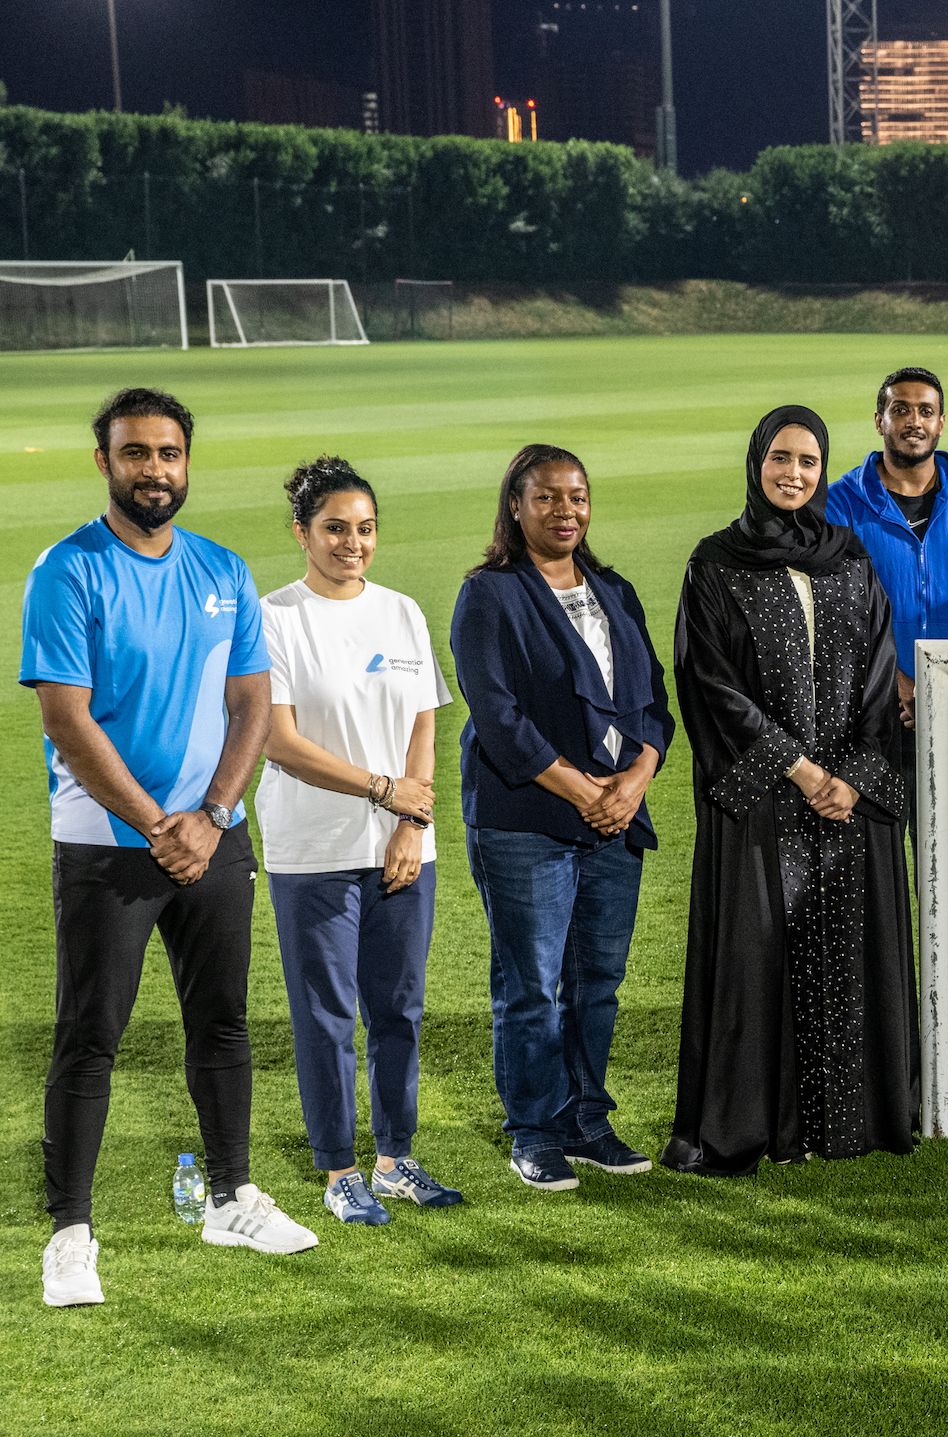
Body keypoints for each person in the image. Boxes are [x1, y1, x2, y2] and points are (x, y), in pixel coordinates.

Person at [29, 388, 315, 1309]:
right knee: (90, 1038)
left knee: (223, 1025)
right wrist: (163, 824)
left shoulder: (223, 570)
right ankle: (70, 1232)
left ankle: (231, 1197)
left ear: (188, 463)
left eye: (169, 453)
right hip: (109, 843)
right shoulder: (68, 571)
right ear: (105, 463)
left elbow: (252, 705)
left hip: (214, 840)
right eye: (135, 453)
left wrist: (215, 813)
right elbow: (68, 722)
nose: (155, 469)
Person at [665, 405, 915, 1174]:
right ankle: (758, 1126)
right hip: (766, 800)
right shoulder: (716, 563)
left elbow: (880, 677)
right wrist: (798, 769)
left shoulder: (850, 557)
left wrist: (854, 778)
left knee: (849, 956)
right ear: (756, 462)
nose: (794, 475)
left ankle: (849, 1121)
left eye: (808, 461)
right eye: (780, 459)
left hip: (845, 798)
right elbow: (709, 684)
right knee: (759, 961)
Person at [450, 444, 674, 1193]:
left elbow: (654, 705)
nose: (565, 511)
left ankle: (586, 1120)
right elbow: (499, 716)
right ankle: (534, 1130)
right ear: (515, 506)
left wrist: (636, 780)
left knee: (597, 981)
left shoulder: (614, 588)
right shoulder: (490, 594)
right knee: (532, 984)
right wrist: (585, 791)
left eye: (576, 497)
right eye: (546, 498)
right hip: (527, 819)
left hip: (616, 816)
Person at [258, 456, 465, 1225]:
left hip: (403, 850)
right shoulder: (274, 617)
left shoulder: (402, 611)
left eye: (366, 529)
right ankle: (339, 1169)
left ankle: (396, 1159)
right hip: (313, 848)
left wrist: (412, 823)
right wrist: (383, 793)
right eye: (336, 529)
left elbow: (423, 720)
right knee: (325, 1016)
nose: (353, 543)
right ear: (302, 533)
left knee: (400, 1010)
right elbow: (278, 742)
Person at [823, 366, 948, 726]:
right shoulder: (840, 504)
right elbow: (833, 610)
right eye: (900, 410)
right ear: (878, 421)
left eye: (926, 411)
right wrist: (895, 681)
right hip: (870, 710)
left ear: (941, 423)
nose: (914, 421)